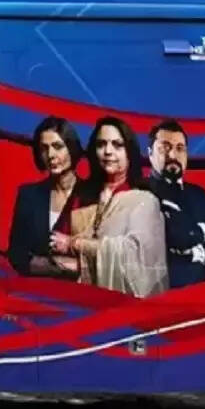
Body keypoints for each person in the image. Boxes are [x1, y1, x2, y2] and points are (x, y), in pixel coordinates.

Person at [51, 116, 169, 297]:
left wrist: (75, 245)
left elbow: (137, 261)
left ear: (129, 152)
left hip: (123, 305)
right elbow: (55, 243)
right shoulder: (81, 195)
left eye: (117, 145)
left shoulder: (144, 201)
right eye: (101, 144)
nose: (108, 151)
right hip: (76, 299)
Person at [147, 119, 205, 288]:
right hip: (161, 295)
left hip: (202, 293)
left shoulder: (198, 194)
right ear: (150, 153)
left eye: (180, 148)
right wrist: (203, 233)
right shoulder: (141, 194)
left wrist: (199, 252)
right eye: (165, 148)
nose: (173, 155)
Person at [7, 116, 93, 278]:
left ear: (71, 148)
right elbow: (16, 255)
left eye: (57, 146)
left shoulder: (93, 196)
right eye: (44, 148)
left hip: (81, 289)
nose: (51, 155)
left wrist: (79, 266)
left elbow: (103, 256)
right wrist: (57, 265)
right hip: (40, 289)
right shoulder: (29, 196)